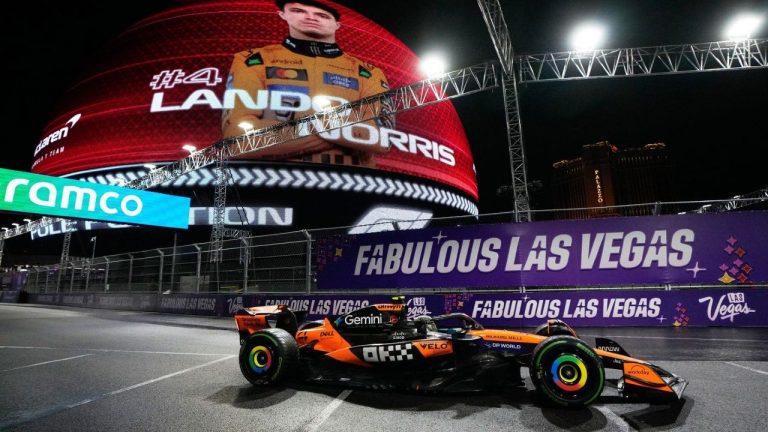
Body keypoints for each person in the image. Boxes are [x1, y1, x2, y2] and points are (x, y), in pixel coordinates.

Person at [222, 0, 394, 167]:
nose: (311, 17)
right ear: (282, 14)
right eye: (299, 11)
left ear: (337, 24)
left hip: (354, 185)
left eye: (322, 15)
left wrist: (282, 134)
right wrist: (334, 131)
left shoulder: (369, 72)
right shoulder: (252, 60)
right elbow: (237, 141)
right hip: (272, 185)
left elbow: (383, 139)